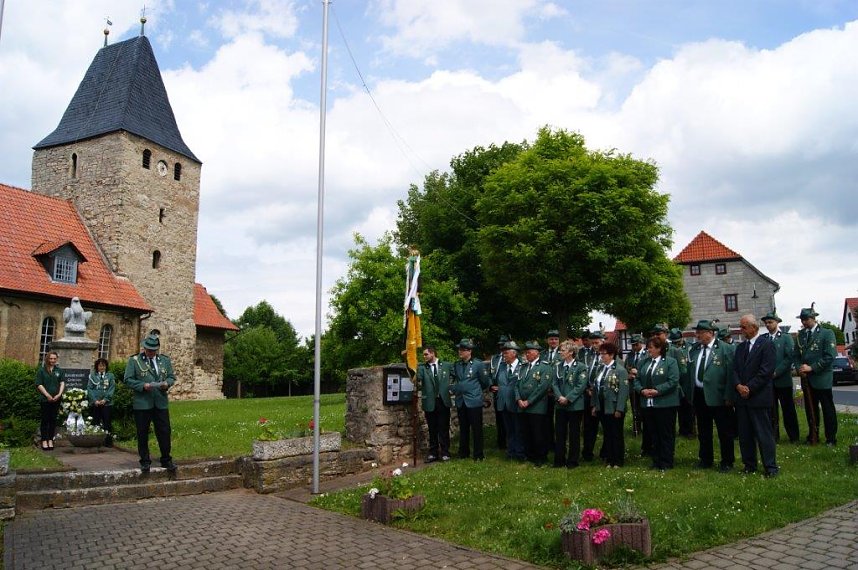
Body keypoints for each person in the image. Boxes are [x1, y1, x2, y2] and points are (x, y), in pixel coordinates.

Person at [687, 319, 736, 472]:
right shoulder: (694, 349)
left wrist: (729, 395)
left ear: (710, 333)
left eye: (700, 333)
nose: (697, 336)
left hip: (719, 396)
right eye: (697, 333)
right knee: (703, 429)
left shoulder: (725, 349)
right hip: (700, 395)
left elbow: (731, 374)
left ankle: (727, 461)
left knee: (724, 430)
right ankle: (705, 459)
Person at [733, 314, 778, 476]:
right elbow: (735, 370)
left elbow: (766, 371)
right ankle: (749, 464)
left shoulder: (766, 345)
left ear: (754, 327)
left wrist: (749, 388)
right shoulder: (740, 348)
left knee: (763, 434)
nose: (741, 330)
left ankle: (770, 467)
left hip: (758, 397)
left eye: (744, 327)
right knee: (745, 435)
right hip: (742, 399)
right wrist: (738, 385)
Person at [124, 334, 176, 473]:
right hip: (142, 403)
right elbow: (128, 379)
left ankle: (166, 459)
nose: (151, 352)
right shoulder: (134, 361)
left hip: (160, 402)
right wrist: (142, 385)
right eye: (148, 349)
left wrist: (167, 384)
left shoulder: (164, 360)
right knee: (142, 432)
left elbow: (171, 377)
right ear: (144, 348)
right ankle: (145, 461)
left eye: (153, 350)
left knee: (164, 431)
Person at [794, 306, 838, 445]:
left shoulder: (826, 333)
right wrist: (799, 368)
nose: (804, 322)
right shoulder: (800, 335)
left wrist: (811, 368)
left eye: (806, 319)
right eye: (802, 319)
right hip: (807, 380)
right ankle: (813, 434)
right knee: (810, 409)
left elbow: (829, 356)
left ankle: (831, 438)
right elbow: (796, 355)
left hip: (822, 378)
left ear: (814, 318)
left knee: (827, 409)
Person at [634, 337, 680, 470]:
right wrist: (642, 390)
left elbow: (673, 381)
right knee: (653, 433)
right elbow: (637, 380)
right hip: (648, 403)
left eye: (651, 347)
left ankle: (666, 461)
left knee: (665, 433)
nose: (648, 350)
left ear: (659, 349)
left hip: (665, 404)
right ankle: (656, 460)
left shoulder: (670, 362)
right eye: (648, 347)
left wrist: (657, 391)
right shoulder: (644, 362)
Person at [762, 311, 799, 443]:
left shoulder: (785, 338)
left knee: (788, 409)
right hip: (768, 382)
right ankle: (773, 435)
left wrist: (777, 372)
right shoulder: (764, 338)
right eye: (766, 323)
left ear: (777, 322)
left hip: (783, 381)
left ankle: (793, 436)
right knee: (771, 410)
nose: (768, 325)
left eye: (770, 322)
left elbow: (789, 358)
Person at [450, 338, 490, 460]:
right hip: (461, 400)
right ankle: (463, 452)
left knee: (477, 429)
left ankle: (478, 454)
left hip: (474, 401)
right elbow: (455, 380)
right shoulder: (457, 365)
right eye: (459, 350)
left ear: (469, 351)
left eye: (462, 350)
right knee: (463, 428)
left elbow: (484, 382)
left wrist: (474, 391)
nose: (460, 352)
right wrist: (456, 389)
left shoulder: (478, 364)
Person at [592, 342, 629, 467]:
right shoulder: (600, 368)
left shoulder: (620, 370)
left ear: (612, 355)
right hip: (602, 405)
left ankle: (618, 460)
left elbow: (623, 392)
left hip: (613, 406)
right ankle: (609, 459)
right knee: (607, 434)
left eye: (604, 354)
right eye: (600, 354)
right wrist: (595, 405)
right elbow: (596, 388)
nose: (601, 356)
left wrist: (619, 408)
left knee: (616, 434)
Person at [515, 341, 552, 465]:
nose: (527, 354)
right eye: (526, 352)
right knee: (526, 432)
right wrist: (519, 399)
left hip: (537, 406)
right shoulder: (523, 367)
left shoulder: (544, 367)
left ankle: (540, 457)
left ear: (537, 353)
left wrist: (529, 401)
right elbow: (516, 385)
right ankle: (529, 455)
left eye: (529, 352)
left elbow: (542, 387)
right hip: (523, 406)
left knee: (538, 433)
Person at [553, 340, 587, 468]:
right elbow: (554, 383)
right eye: (560, 350)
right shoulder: (558, 366)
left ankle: (573, 461)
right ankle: (559, 460)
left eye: (563, 350)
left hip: (574, 405)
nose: (560, 352)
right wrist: (559, 397)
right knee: (560, 433)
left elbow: (580, 385)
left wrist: (568, 398)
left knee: (574, 434)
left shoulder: (581, 366)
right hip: (560, 405)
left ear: (571, 352)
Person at [418, 345, 452, 462]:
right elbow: (417, 378)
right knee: (432, 429)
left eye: (426, 354)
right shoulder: (422, 368)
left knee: (444, 428)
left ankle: (445, 452)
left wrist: (452, 388)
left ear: (433, 353)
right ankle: (433, 453)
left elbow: (456, 377)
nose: (424, 356)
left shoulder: (446, 365)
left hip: (443, 401)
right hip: (430, 401)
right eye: (424, 354)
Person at [494, 340, 525, 460]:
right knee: (509, 430)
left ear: (514, 353)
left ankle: (520, 452)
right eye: (503, 353)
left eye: (506, 353)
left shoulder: (522, 366)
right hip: (503, 403)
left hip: (516, 402)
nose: (503, 355)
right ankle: (511, 452)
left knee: (519, 429)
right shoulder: (502, 366)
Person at [581, 331, 605, 461]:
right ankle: (587, 452)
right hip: (588, 394)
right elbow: (583, 373)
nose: (595, 345)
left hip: (602, 396)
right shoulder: (587, 356)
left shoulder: (608, 355)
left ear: (602, 342)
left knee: (605, 424)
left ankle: (605, 452)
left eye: (597, 342)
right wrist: (586, 388)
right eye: (593, 343)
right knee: (589, 426)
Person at [35, 351, 65, 451]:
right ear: (47, 359)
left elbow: (62, 383)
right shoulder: (42, 371)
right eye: (51, 358)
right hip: (45, 399)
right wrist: (47, 395)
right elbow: (39, 384)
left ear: (56, 359)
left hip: (56, 399)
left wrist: (59, 394)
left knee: (53, 420)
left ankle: (50, 439)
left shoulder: (59, 371)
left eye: (54, 359)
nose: (52, 360)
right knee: (45, 420)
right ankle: (44, 440)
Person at [671, 328, 695, 438]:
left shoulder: (690, 347)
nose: (676, 344)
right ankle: (682, 429)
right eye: (674, 342)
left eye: (678, 342)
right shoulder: (671, 349)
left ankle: (690, 430)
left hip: (688, 382)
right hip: (678, 382)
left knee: (689, 407)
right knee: (680, 407)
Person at [86, 358, 116, 446]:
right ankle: (95, 441)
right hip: (95, 403)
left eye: (103, 365)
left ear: (106, 366)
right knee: (95, 422)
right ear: (97, 367)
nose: (102, 367)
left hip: (107, 404)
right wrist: (95, 400)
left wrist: (105, 399)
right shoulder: (92, 376)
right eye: (100, 365)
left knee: (107, 422)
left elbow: (111, 389)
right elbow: (89, 388)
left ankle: (108, 441)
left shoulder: (110, 376)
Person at [624, 334, 647, 437]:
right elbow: (625, 368)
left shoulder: (647, 354)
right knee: (635, 408)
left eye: (636, 344)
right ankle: (636, 429)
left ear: (641, 343)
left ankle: (646, 428)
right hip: (632, 386)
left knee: (644, 409)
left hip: (644, 386)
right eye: (632, 345)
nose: (634, 347)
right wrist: (628, 375)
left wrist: (638, 373)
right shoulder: (630, 355)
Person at [489, 335, 510, 450]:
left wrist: (501, 388)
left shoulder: (514, 358)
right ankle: (501, 442)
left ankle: (510, 441)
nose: (502, 347)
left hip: (507, 392)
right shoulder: (495, 358)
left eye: (504, 344)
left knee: (509, 418)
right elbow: (490, 374)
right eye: (501, 345)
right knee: (499, 418)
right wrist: (491, 385)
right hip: (496, 392)